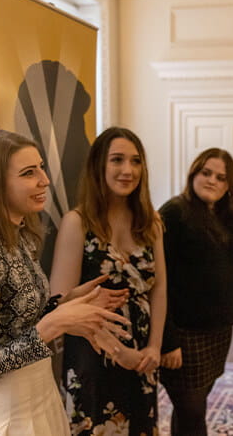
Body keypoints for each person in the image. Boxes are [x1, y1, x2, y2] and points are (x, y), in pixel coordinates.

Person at [0, 129, 130, 435]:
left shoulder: (16, 235)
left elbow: (17, 321)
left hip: (38, 394)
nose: (44, 180)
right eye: (28, 173)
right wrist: (56, 323)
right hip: (7, 411)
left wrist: (67, 303)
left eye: (41, 168)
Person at [50, 127, 167, 435]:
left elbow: (159, 288)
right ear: (99, 165)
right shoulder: (78, 223)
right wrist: (117, 351)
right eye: (117, 160)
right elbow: (60, 302)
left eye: (135, 161)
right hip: (93, 354)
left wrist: (154, 347)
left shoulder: (150, 222)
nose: (128, 170)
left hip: (142, 355)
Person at [158, 148, 233, 436]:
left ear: (229, 185)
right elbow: (159, 282)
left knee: (192, 406)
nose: (212, 180)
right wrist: (167, 341)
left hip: (218, 330)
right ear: (193, 174)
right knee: (192, 410)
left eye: (221, 177)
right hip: (184, 333)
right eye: (206, 173)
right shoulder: (174, 213)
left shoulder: (227, 217)